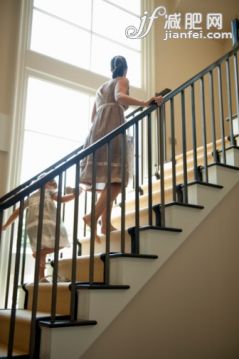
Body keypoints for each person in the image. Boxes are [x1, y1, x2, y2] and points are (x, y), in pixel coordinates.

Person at [80, 55, 163, 241]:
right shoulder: (122, 80)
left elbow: (93, 117)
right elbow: (120, 97)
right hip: (113, 130)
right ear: (125, 69)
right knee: (118, 179)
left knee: (110, 177)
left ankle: (105, 223)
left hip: (97, 133)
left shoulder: (100, 88)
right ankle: (92, 217)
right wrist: (145, 103)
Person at [1, 177, 77, 281]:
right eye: (52, 185)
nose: (53, 188)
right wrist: (74, 195)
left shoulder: (30, 197)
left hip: (32, 226)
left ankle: (41, 277)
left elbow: (17, 212)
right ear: (46, 184)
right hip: (47, 222)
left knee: (42, 249)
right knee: (62, 243)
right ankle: (38, 254)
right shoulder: (49, 192)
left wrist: (6, 225)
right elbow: (61, 199)